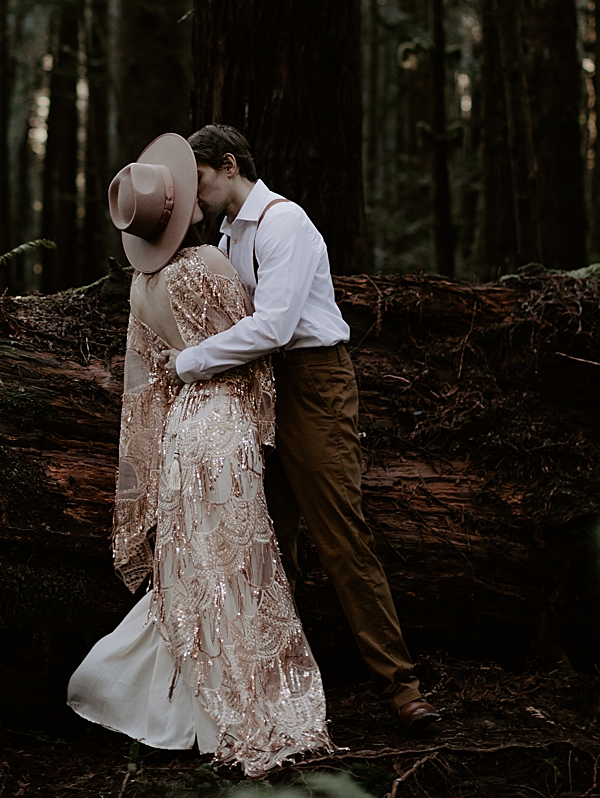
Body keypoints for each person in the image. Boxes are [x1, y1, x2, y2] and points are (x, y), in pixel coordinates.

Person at [68, 132, 332, 777]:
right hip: (223, 425)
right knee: (238, 567)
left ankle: (179, 701)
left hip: (183, 432)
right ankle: (244, 709)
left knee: (198, 569)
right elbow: (260, 344)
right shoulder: (208, 268)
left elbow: (149, 383)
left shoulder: (140, 288)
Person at [165, 123, 442, 733]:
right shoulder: (230, 237)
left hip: (313, 385)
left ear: (230, 166)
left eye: (201, 179)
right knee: (267, 538)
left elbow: (274, 326)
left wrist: (189, 362)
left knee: (341, 533)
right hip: (265, 388)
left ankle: (402, 689)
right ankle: (273, 695)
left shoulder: (284, 223)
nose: (195, 194)